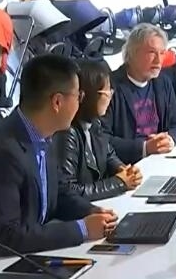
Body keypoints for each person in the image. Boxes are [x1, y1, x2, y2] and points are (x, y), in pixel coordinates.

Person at [0, 55, 118, 279]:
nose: (80, 102)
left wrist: (90, 212)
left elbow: (59, 192)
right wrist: (82, 229)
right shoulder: (1, 151)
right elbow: (5, 237)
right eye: (78, 96)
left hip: (27, 259)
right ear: (57, 102)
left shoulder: (41, 134)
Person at [55, 60, 143, 201]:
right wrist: (119, 182)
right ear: (86, 95)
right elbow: (68, 191)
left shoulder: (95, 123)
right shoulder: (67, 133)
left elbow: (108, 154)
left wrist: (124, 170)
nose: (110, 96)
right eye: (106, 91)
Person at [102, 23, 176, 165]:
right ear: (132, 53)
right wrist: (144, 148)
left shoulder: (162, 82)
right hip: (125, 167)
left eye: (162, 53)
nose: (158, 60)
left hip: (159, 161)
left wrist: (171, 139)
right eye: (152, 52)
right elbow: (101, 140)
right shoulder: (110, 86)